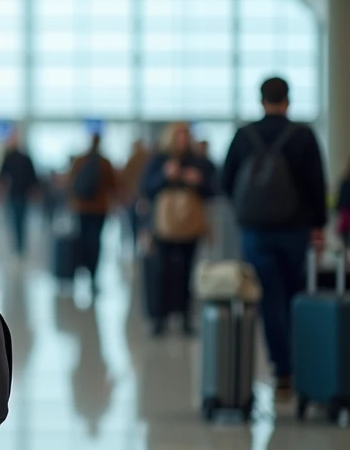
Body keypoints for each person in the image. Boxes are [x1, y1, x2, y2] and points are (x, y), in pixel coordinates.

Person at [221, 77, 327, 401]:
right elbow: (316, 185)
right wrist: (318, 225)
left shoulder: (243, 136)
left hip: (257, 231)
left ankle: (281, 371)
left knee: (269, 299)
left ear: (261, 100)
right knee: (297, 296)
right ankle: (303, 367)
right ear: (288, 101)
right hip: (295, 231)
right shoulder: (303, 136)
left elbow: (226, 181)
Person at [140, 123, 218, 336]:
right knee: (160, 271)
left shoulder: (197, 161)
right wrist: (165, 176)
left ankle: (184, 315)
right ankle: (159, 317)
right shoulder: (159, 160)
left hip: (189, 226)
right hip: (163, 225)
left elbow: (213, 189)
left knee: (186, 271)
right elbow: (146, 188)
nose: (183, 140)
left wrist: (198, 181)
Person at [66, 133, 118, 296]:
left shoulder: (80, 161)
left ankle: (79, 270)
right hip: (99, 208)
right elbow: (112, 185)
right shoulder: (105, 163)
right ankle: (93, 275)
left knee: (82, 239)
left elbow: (71, 182)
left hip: (82, 207)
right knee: (95, 241)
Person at [0, 131, 38, 257]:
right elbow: (33, 178)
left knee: (16, 220)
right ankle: (20, 246)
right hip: (21, 193)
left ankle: (18, 246)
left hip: (15, 193)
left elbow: (1, 177)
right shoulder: (25, 158)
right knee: (20, 220)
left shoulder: (9, 157)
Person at [120, 139, 150, 251]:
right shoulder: (147, 159)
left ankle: (136, 245)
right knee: (144, 224)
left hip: (134, 197)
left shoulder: (132, 160)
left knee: (134, 224)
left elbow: (124, 178)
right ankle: (143, 245)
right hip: (142, 197)